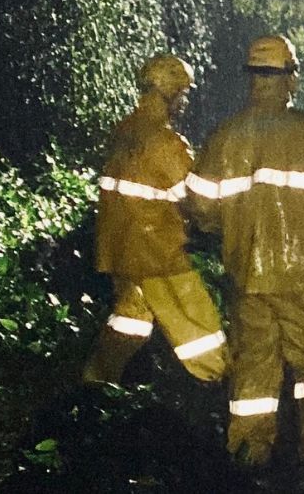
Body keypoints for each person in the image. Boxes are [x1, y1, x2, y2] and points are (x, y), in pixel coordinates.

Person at [187, 35, 304, 472]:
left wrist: (228, 231)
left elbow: (201, 210)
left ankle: (249, 456)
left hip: (247, 276)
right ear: (290, 77)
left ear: (251, 78)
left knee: (253, 371)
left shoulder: (223, 138)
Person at [83, 54, 228, 385]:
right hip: (158, 254)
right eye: (183, 92)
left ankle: (95, 387)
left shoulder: (123, 131)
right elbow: (196, 203)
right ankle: (218, 386)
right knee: (198, 326)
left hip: (119, 249)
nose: (185, 101)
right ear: (167, 91)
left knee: (131, 318)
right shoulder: (166, 143)